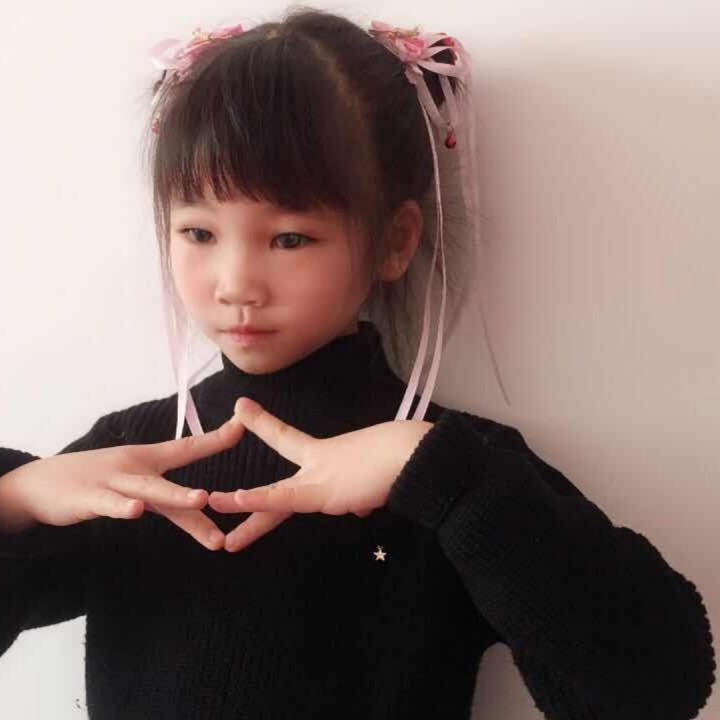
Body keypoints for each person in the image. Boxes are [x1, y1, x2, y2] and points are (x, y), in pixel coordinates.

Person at [0, 7, 715, 720]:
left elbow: (655, 688)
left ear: (395, 241)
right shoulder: (132, 462)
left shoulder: (452, 469)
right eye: (198, 232)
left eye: (289, 238)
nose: (235, 283)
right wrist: (16, 498)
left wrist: (443, 477)